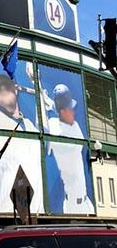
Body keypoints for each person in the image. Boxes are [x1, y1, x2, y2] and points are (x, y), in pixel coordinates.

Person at [45, 84, 93, 213]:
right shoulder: (53, 125)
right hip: (72, 206)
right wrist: (46, 101)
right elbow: (47, 125)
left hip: (84, 203)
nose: (72, 111)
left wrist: (47, 102)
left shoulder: (73, 127)